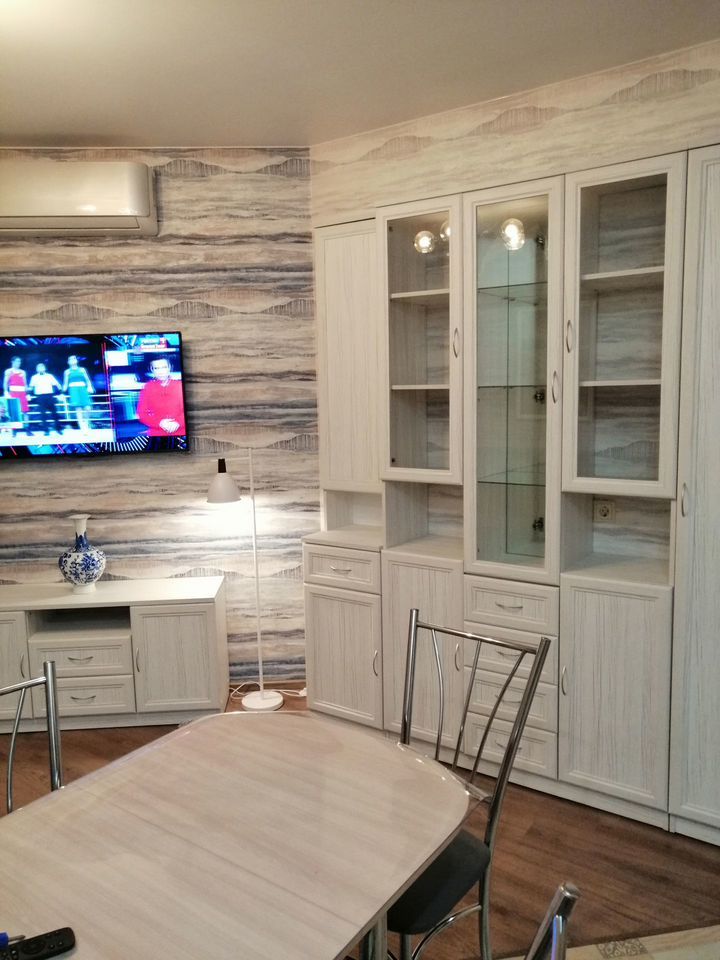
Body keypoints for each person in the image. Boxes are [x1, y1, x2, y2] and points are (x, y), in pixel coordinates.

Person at [136, 357, 186, 436]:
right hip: (157, 432)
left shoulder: (180, 385)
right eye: (156, 368)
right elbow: (141, 413)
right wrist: (159, 423)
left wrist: (178, 422)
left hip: (181, 431)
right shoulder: (148, 387)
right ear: (152, 370)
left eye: (164, 367)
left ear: (170, 368)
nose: (161, 371)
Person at [62, 354, 95, 433]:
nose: (72, 360)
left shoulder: (82, 369)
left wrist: (90, 387)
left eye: (74, 359)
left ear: (77, 360)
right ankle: (82, 427)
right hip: (73, 390)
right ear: (68, 362)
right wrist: (62, 393)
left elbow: (87, 380)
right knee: (78, 409)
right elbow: (65, 384)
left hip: (83, 389)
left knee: (88, 408)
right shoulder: (67, 372)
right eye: (70, 359)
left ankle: (87, 422)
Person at [28, 362, 63, 436]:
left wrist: (61, 393)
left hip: (49, 395)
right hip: (40, 397)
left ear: (45, 368)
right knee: (43, 414)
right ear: (37, 369)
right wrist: (28, 394)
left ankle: (58, 429)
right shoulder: (34, 377)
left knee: (54, 413)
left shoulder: (50, 376)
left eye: (42, 367)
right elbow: (31, 387)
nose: (41, 368)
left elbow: (57, 384)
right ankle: (46, 430)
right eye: (39, 367)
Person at [3, 356, 29, 428]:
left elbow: (25, 383)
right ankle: (14, 429)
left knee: (25, 411)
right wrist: (6, 392)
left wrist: (27, 393)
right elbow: (5, 382)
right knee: (14, 411)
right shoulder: (8, 371)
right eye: (17, 361)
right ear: (13, 362)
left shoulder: (23, 372)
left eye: (19, 361)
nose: (19, 363)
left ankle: (27, 428)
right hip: (13, 393)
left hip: (22, 393)